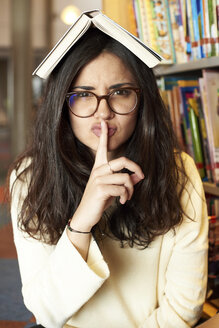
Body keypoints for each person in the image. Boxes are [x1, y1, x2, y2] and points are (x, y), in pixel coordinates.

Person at [8, 25, 208, 328]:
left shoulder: (178, 172)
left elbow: (183, 309)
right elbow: (45, 312)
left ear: (143, 102)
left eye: (121, 92)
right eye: (84, 95)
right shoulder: (30, 177)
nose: (103, 113)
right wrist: (81, 223)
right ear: (63, 105)